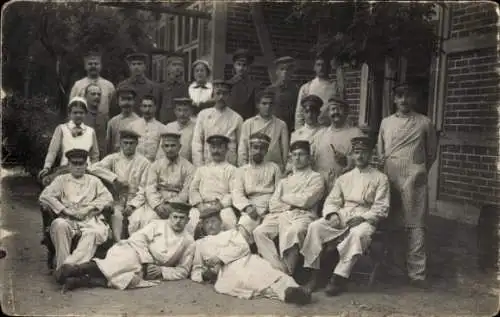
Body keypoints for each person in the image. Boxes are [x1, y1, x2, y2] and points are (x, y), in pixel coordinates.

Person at [301, 136, 390, 295]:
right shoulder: (345, 177)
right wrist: (333, 214)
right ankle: (314, 275)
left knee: (357, 234)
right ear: (353, 155)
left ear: (371, 154)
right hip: (344, 213)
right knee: (315, 227)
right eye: (356, 152)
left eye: (364, 153)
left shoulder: (380, 178)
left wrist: (363, 218)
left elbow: (381, 206)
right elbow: (332, 200)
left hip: (366, 217)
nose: (360, 156)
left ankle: (338, 277)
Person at [377, 83, 437, 288]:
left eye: (408, 96)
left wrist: (418, 171)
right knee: (392, 223)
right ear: (394, 99)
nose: (403, 100)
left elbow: (431, 153)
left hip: (414, 179)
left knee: (416, 225)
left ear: (414, 99)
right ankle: (394, 268)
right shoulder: (386, 123)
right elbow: (381, 151)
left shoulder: (424, 122)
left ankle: (417, 274)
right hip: (391, 178)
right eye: (400, 96)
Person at [57, 202, 195, 291]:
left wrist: (162, 271)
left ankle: (77, 281)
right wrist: (147, 261)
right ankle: (76, 269)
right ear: (170, 217)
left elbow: (183, 270)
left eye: (182, 218)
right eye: (175, 217)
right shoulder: (157, 224)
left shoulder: (189, 241)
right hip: (135, 252)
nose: (177, 221)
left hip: (151, 270)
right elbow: (138, 239)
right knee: (124, 263)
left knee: (127, 279)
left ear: (188, 220)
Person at [191, 207, 312, 305]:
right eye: (206, 223)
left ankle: (297, 289)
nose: (210, 225)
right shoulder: (200, 244)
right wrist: (204, 275)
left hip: (246, 260)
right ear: (203, 226)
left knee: (271, 272)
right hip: (228, 270)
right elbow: (196, 269)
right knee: (250, 281)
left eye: (213, 221)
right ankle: (287, 294)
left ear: (220, 222)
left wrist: (221, 258)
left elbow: (243, 248)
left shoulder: (231, 233)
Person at [38, 149, 113, 283]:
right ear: (69, 165)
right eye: (75, 163)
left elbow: (107, 198)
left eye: (81, 163)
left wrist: (90, 208)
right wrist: (65, 210)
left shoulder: (94, 181)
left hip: (89, 219)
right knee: (59, 225)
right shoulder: (61, 180)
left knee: (94, 232)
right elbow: (45, 196)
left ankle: (70, 269)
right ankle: (62, 266)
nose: (78, 167)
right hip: (68, 219)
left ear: (86, 165)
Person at [254, 140, 325, 274]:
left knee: (295, 231)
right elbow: (273, 204)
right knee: (259, 232)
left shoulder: (316, 178)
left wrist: (284, 198)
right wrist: (290, 204)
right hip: (281, 215)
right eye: (294, 155)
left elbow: (306, 201)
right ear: (291, 157)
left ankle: (289, 272)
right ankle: (279, 269)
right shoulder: (284, 180)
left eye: (302, 154)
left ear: (309, 158)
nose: (297, 158)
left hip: (304, 216)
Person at [88, 128, 151, 241]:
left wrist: (132, 205)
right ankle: (117, 244)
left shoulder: (144, 162)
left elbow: (145, 188)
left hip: (136, 199)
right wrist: (115, 179)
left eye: (131, 143)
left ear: (137, 144)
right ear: (120, 143)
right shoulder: (113, 158)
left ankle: (136, 245)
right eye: (125, 143)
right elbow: (93, 168)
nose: (128, 146)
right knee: (116, 215)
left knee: (138, 220)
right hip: (116, 198)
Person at [128, 131, 195, 234]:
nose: (170, 149)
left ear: (179, 147)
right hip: (157, 202)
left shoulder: (188, 167)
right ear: (162, 147)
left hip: (178, 205)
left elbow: (186, 191)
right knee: (143, 220)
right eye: (166, 146)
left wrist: (172, 206)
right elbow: (150, 188)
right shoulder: (155, 165)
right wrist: (157, 205)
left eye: (173, 145)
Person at [39, 97, 100, 180]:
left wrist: (93, 169)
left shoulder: (90, 131)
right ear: (69, 113)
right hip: (66, 169)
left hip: (86, 170)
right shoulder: (62, 129)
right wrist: (47, 166)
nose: (78, 115)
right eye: (75, 112)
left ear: (85, 113)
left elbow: (95, 155)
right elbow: (53, 151)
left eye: (81, 113)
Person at [311, 97, 364, 191]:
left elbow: (364, 159)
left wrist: (347, 160)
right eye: (333, 109)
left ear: (347, 112)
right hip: (320, 185)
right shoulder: (320, 134)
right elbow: (311, 158)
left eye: (340, 108)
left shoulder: (356, 134)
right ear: (328, 113)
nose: (336, 112)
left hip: (345, 184)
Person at [188, 135, 238, 235]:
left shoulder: (232, 170)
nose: (216, 151)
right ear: (209, 149)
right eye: (213, 147)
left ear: (226, 149)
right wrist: (199, 205)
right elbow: (193, 189)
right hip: (202, 206)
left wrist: (220, 205)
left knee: (229, 223)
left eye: (220, 147)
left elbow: (234, 192)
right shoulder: (201, 169)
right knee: (190, 223)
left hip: (222, 207)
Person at [232, 133, 282, 227]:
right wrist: (247, 207)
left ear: (266, 150)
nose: (258, 151)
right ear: (250, 149)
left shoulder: (274, 168)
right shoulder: (242, 170)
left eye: (262, 148)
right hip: (251, 208)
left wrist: (271, 208)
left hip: (271, 208)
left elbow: (279, 191)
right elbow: (237, 193)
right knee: (243, 226)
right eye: (255, 148)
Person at [192, 80, 243, 166]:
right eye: (218, 93)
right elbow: (197, 142)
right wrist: (199, 166)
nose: (221, 97)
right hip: (208, 163)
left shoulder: (237, 118)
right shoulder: (203, 115)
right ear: (212, 95)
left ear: (229, 95)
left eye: (225, 94)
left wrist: (240, 168)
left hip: (229, 165)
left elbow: (241, 146)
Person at [238, 89, 289, 171]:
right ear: (258, 105)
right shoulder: (248, 123)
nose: (268, 107)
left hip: (274, 168)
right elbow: (242, 149)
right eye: (264, 104)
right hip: (253, 168)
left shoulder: (281, 125)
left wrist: (283, 169)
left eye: (270, 104)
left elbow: (285, 150)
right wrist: (244, 169)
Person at [294, 52, 338, 129]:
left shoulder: (335, 87)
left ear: (329, 67)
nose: (321, 68)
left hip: (329, 129)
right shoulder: (306, 87)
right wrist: (300, 132)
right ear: (314, 67)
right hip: (311, 129)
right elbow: (299, 113)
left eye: (324, 65)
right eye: (318, 65)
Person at [69, 50, 115, 120]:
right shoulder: (78, 85)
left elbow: (114, 108)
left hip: (104, 123)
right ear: (85, 66)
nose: (93, 66)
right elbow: (71, 107)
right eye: (90, 64)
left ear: (101, 66)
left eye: (96, 64)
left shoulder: (109, 86)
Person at [127, 95, 166, 162]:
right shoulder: (132, 126)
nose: (147, 110)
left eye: (150, 106)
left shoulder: (162, 128)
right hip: (135, 164)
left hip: (153, 165)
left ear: (155, 108)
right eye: (144, 106)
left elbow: (161, 152)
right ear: (140, 108)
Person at [265, 56, 299, 132]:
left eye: (288, 69)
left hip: (290, 128)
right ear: (277, 71)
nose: (285, 72)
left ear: (292, 72)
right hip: (273, 127)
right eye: (282, 69)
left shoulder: (295, 90)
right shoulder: (270, 90)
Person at [156, 97, 195, 162]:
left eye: (185, 110)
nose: (182, 114)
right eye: (179, 110)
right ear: (175, 111)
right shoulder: (169, 127)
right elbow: (161, 150)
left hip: (187, 167)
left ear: (191, 111)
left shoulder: (195, 128)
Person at [105, 85, 140, 155]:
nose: (126, 103)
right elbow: (108, 146)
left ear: (134, 101)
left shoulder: (139, 121)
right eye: (123, 99)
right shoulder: (112, 122)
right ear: (118, 101)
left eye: (129, 99)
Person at [227, 49, 258, 120]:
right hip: (232, 121)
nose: (241, 68)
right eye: (238, 64)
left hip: (248, 122)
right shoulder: (228, 85)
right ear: (234, 65)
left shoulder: (254, 85)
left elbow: (256, 108)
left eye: (244, 65)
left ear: (249, 67)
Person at [158, 53, 188, 124]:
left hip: (183, 124)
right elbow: (156, 108)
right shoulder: (160, 87)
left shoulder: (188, 88)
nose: (177, 67)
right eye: (174, 65)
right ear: (168, 68)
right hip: (164, 124)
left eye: (180, 65)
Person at [83, 83, 108, 156]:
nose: (97, 97)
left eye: (99, 94)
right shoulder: (80, 116)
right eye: (93, 94)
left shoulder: (104, 117)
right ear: (85, 96)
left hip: (101, 157)